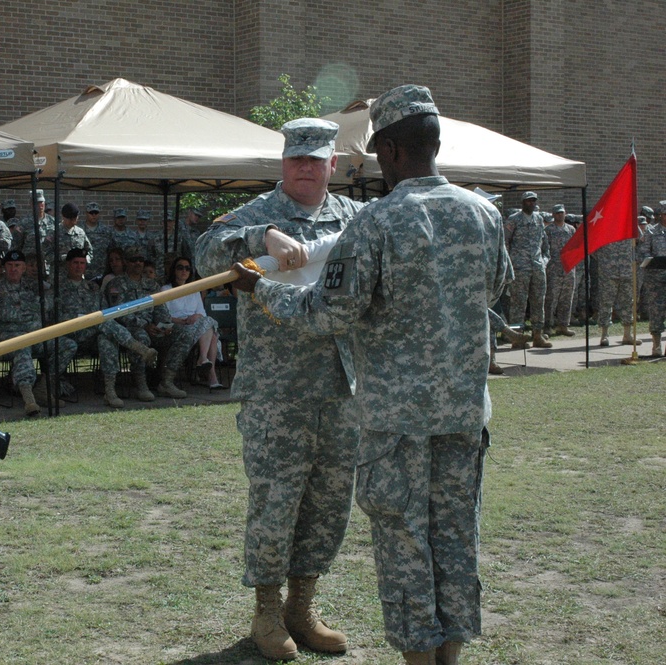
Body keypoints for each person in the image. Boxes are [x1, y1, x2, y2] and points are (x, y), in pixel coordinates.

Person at [234, 85, 512, 665]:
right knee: (457, 541)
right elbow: (496, 289)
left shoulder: (373, 222)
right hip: (463, 412)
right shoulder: (485, 213)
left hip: (396, 420)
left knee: (406, 542)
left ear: (386, 150)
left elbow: (327, 313)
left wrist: (260, 289)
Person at [196, 117, 364, 661]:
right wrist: (257, 237)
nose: (306, 169)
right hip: (277, 391)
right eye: (297, 159)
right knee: (276, 502)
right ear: (283, 162)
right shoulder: (254, 216)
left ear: (333, 164)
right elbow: (203, 252)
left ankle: (303, 606)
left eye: (317, 160)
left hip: (342, 385)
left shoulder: (355, 218)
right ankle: (267, 612)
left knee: (329, 501)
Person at [57, 248, 158, 407]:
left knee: (106, 338)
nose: (78, 266)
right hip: (70, 334)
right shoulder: (58, 289)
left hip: (93, 335)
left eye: (82, 263)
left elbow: (106, 312)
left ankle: (110, 391)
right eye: (75, 263)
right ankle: (140, 348)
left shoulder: (93, 288)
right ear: (68, 265)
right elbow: (54, 317)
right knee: (101, 321)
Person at [0, 250, 75, 415]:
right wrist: (32, 311)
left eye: (17, 266)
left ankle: (43, 388)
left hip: (36, 336)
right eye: (10, 266)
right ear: (5, 268)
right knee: (22, 345)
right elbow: (3, 314)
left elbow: (48, 304)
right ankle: (29, 398)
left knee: (67, 345)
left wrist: (23, 310)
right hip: (9, 338)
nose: (13, 269)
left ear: (24, 267)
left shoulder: (32, 285)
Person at [101, 246, 166, 403]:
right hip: (128, 329)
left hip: (153, 327)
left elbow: (161, 309)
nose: (138, 263)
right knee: (141, 336)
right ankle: (141, 384)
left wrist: (164, 325)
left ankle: (167, 381)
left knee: (183, 333)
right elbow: (120, 314)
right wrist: (144, 326)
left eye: (140, 260)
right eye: (133, 260)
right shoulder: (116, 285)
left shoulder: (152, 285)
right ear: (125, 263)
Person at [160, 256, 223, 389]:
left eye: (187, 268)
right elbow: (163, 316)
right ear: (174, 270)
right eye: (180, 268)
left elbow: (202, 314)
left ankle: (203, 359)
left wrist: (195, 317)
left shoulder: (194, 290)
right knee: (212, 334)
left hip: (195, 325)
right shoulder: (165, 289)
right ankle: (210, 374)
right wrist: (181, 321)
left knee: (208, 323)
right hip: (175, 326)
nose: (184, 271)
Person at [505, 191, 552, 348]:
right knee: (518, 303)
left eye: (533, 201)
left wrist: (544, 261)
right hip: (520, 268)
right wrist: (510, 263)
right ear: (522, 202)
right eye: (528, 201)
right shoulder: (513, 220)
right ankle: (517, 338)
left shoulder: (539, 220)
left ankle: (538, 335)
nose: (531, 203)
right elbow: (505, 242)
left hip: (537, 268)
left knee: (538, 301)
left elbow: (545, 245)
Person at [594, 230, 642, 347]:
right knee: (606, 302)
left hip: (626, 271)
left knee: (628, 302)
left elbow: (640, 237)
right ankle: (604, 335)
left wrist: (633, 218)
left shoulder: (628, 227)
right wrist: (605, 262)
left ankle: (627, 334)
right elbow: (594, 250)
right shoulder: (605, 228)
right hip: (608, 272)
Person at [542, 204, 577, 337]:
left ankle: (563, 325)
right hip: (553, 269)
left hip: (568, 269)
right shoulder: (548, 230)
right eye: (557, 213)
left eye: (561, 213)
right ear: (553, 215)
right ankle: (547, 326)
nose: (559, 215)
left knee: (567, 298)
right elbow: (544, 249)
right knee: (551, 299)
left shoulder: (571, 230)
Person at [639, 201, 666, 356]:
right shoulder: (651, 232)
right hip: (655, 279)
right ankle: (656, 345)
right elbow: (642, 252)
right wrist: (651, 260)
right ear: (661, 215)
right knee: (656, 312)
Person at [82, 201, 114, 280]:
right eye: (91, 213)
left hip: (102, 272)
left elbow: (111, 251)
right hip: (83, 272)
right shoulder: (80, 231)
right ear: (86, 213)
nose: (94, 215)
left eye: (96, 213)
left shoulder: (106, 231)